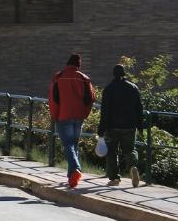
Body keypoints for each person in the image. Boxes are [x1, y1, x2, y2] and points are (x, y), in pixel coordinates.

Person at [49, 54, 95, 188]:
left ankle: (75, 169)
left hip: (64, 115)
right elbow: (90, 98)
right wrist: (84, 113)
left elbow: (54, 98)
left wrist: (55, 115)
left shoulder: (59, 77)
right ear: (78, 65)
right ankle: (72, 179)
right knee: (74, 145)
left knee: (68, 144)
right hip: (78, 116)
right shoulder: (84, 78)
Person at [98, 64, 144, 187]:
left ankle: (114, 179)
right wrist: (140, 126)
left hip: (112, 127)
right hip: (129, 126)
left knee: (112, 152)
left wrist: (101, 129)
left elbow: (105, 111)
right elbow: (139, 108)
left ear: (114, 74)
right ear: (124, 74)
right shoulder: (133, 88)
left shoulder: (109, 89)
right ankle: (133, 166)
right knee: (130, 150)